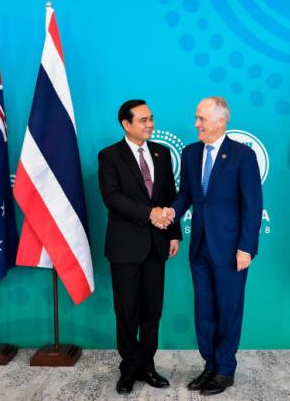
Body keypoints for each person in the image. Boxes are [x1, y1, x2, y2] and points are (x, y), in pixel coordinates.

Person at [165, 96, 263, 395]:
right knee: (204, 310)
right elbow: (187, 196)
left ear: (221, 121)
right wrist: (171, 213)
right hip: (200, 249)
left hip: (232, 250)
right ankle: (210, 365)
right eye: (196, 118)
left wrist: (246, 247)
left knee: (229, 309)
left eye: (201, 119)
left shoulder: (242, 156)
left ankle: (225, 369)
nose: (195, 124)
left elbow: (253, 205)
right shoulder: (192, 152)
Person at [98, 99, 181, 395]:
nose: (150, 124)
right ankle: (129, 368)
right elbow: (112, 197)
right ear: (126, 124)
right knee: (126, 312)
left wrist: (174, 234)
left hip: (157, 247)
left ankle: (148, 364)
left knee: (152, 311)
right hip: (125, 248)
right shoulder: (109, 156)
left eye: (151, 118)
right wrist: (149, 214)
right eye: (143, 120)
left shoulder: (162, 153)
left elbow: (170, 196)